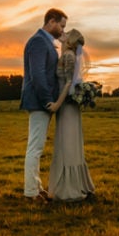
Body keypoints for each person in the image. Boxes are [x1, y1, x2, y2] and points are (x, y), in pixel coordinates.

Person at [20, 8, 67, 202]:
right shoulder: (39, 41)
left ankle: (36, 187)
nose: (62, 30)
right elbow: (37, 74)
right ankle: (31, 192)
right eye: (61, 25)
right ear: (51, 21)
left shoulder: (46, 42)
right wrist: (48, 99)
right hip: (40, 101)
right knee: (35, 147)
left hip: (41, 101)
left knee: (37, 146)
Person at [48, 28, 96, 201]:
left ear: (70, 41)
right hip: (68, 107)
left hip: (66, 106)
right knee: (68, 143)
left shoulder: (68, 56)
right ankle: (75, 183)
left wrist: (56, 105)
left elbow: (68, 83)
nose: (63, 34)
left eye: (67, 34)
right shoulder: (67, 54)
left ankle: (69, 187)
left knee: (67, 143)